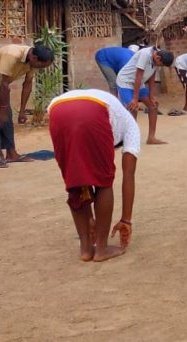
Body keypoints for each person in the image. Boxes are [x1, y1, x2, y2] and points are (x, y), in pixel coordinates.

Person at [47, 89, 138, 262]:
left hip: (57, 109)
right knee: (104, 180)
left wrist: (90, 218)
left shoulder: (116, 114)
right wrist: (126, 220)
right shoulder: (132, 128)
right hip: (93, 110)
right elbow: (129, 175)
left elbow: (83, 176)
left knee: (76, 178)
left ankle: (86, 248)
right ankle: (102, 249)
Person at [0, 44, 54, 168]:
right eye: (41, 65)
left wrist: (22, 111)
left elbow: (27, 84)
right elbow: (4, 83)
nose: (41, 68)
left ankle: (11, 154)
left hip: (1, 85)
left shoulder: (32, 62)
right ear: (34, 58)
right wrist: (2, 110)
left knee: (7, 118)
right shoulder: (11, 54)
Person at [116, 46, 174, 145]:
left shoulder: (158, 57)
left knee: (153, 106)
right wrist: (135, 99)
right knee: (132, 107)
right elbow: (138, 77)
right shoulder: (145, 54)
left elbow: (151, 77)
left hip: (139, 83)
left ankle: (151, 138)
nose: (160, 66)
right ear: (157, 58)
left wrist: (152, 96)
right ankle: (129, 138)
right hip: (125, 82)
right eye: (161, 64)